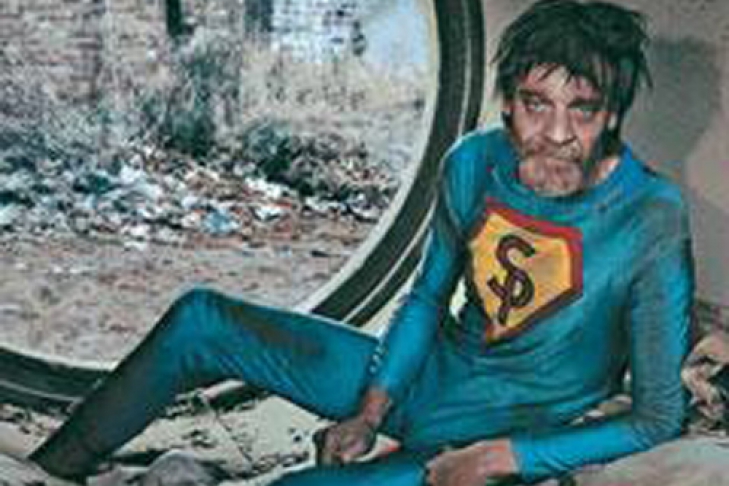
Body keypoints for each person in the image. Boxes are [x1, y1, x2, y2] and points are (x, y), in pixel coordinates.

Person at [30, 1, 695, 484]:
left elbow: (658, 417)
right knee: (200, 318)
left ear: (612, 113)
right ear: (506, 102)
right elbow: (426, 297)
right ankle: (45, 471)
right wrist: (371, 412)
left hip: (513, 425)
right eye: (535, 103)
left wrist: (504, 458)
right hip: (430, 377)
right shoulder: (473, 161)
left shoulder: (651, 215)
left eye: (582, 109)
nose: (555, 133)